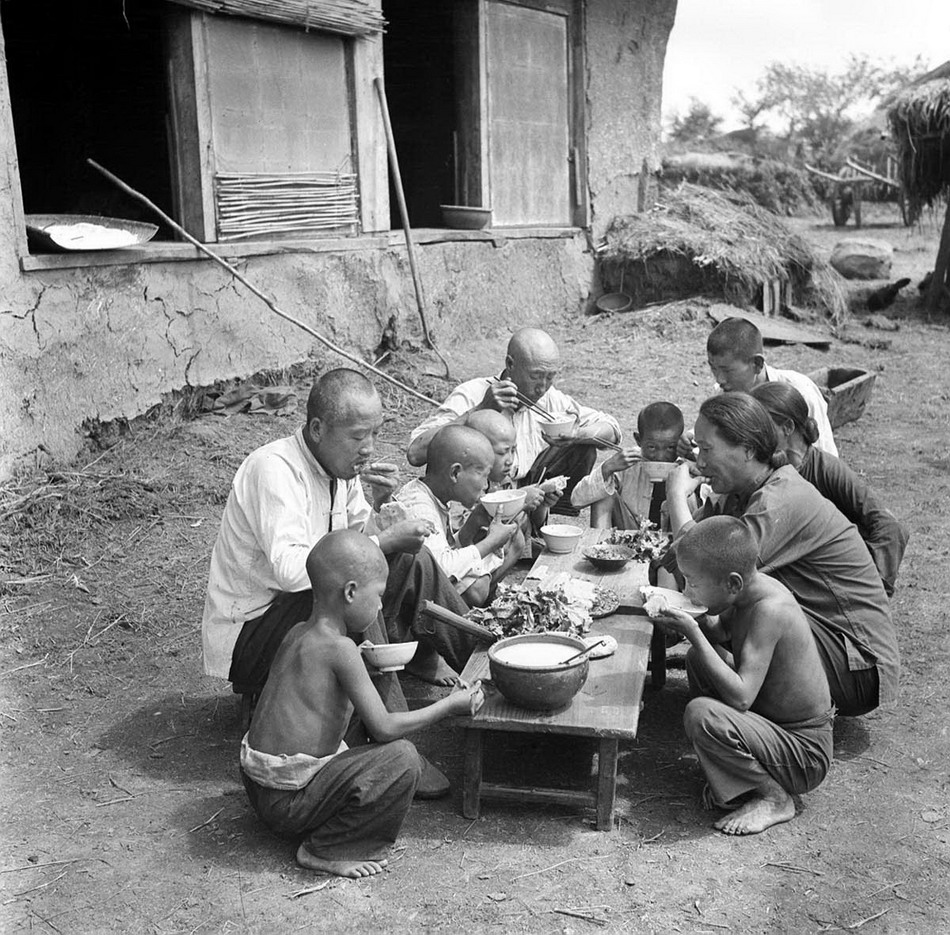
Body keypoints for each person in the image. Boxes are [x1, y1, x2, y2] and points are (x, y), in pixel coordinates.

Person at [202, 367, 476, 717]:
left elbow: (358, 537)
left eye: (375, 434)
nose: (369, 449)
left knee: (411, 560)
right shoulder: (275, 470)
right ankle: (387, 726)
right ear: (317, 429)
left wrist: (382, 507)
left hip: (307, 617)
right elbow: (291, 572)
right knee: (355, 586)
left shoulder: (337, 469)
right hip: (253, 636)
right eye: (358, 437)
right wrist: (383, 541)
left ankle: (488, 663)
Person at [241, 530, 484, 878]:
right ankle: (327, 848)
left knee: (357, 719)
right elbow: (385, 728)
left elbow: (313, 696)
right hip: (288, 804)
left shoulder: (298, 632)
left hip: (259, 786)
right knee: (403, 759)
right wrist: (450, 706)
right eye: (380, 596)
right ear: (351, 592)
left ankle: (321, 821)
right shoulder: (340, 650)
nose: (382, 606)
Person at [665, 393, 899, 717]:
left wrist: (676, 497)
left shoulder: (776, 501)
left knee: (757, 606)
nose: (699, 461)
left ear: (747, 450)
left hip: (858, 665)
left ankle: (765, 721)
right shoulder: (743, 493)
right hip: (838, 651)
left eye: (707, 449)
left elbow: (706, 564)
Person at [648, 517, 834, 835]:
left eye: (692, 583)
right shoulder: (747, 592)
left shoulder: (770, 610)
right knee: (698, 659)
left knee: (701, 714)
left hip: (803, 752)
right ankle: (733, 774)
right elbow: (721, 631)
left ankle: (774, 797)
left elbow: (742, 696)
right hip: (771, 726)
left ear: (732, 583)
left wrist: (693, 631)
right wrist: (695, 620)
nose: (687, 590)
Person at [407, 328, 621, 515]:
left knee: (583, 449)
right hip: (478, 496)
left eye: (550, 377)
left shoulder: (550, 399)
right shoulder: (472, 393)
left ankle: (547, 519)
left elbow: (611, 429)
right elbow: (415, 453)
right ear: (510, 364)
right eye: (536, 376)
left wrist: (576, 434)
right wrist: (481, 409)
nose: (542, 387)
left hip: (529, 487)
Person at [750, 381, 909, 596]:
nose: (753, 436)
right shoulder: (765, 468)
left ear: (787, 427)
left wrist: (871, 589)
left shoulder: (826, 469)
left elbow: (890, 527)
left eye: (761, 428)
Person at [394, 426, 524, 607]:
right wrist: (491, 542)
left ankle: (477, 607)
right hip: (414, 601)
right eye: (484, 476)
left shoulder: (437, 496)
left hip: (435, 578)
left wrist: (471, 526)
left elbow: (441, 549)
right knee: (476, 589)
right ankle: (463, 618)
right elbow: (440, 568)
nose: (486, 485)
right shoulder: (418, 507)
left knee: (516, 539)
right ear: (455, 473)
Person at [698, 317, 837, 456]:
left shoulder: (802, 392)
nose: (719, 379)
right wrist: (692, 439)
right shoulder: (725, 395)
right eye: (713, 368)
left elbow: (825, 457)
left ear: (757, 364)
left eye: (727, 370)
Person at [571, 401, 687, 530]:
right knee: (603, 493)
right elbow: (576, 500)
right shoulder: (628, 464)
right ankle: (602, 547)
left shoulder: (688, 467)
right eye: (652, 447)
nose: (660, 456)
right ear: (638, 440)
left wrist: (692, 462)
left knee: (691, 494)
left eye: (670, 447)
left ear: (680, 442)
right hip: (630, 537)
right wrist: (607, 468)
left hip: (677, 541)